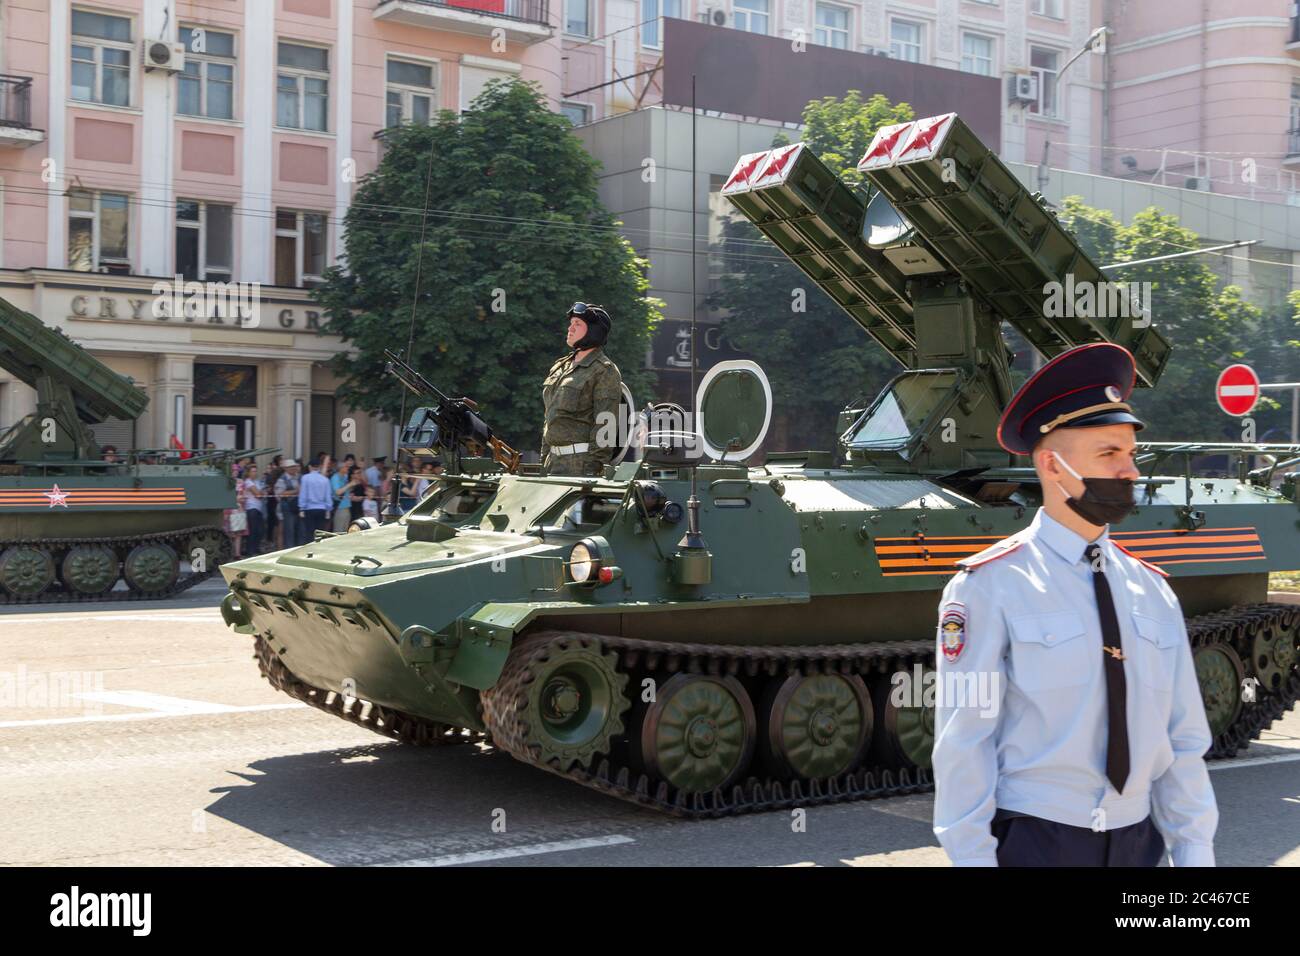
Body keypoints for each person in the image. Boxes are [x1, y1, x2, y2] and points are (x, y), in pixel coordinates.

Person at [931, 343, 1218, 868]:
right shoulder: (990, 585)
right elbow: (964, 741)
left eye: (1131, 454)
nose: (1129, 471)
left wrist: (1196, 853)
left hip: (1139, 843)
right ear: (1051, 465)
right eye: (1108, 454)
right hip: (1039, 842)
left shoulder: (1153, 589)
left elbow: (1181, 742)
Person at [541, 302, 623, 477]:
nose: (570, 328)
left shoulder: (604, 370)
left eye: (577, 324)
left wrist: (594, 469)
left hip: (580, 466)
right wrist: (544, 458)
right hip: (552, 462)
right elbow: (550, 417)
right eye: (571, 323)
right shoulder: (560, 366)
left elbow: (605, 425)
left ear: (593, 330)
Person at [298, 454, 333, 541]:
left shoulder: (305, 478)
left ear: (310, 467)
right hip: (322, 509)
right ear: (319, 467)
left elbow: (303, 494)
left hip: (309, 509)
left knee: (309, 532)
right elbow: (328, 496)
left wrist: (301, 508)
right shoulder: (325, 479)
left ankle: (310, 551)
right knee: (320, 533)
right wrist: (328, 509)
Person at [274, 459, 302, 548]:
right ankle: (288, 548)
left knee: (298, 529)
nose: (293, 468)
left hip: (298, 506)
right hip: (287, 507)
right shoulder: (281, 480)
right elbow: (280, 494)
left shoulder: (299, 477)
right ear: (286, 469)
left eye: (294, 466)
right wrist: (296, 491)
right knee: (288, 530)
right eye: (291, 467)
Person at [242, 463, 266, 554]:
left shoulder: (256, 481)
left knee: (260, 530)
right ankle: (250, 550)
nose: (255, 473)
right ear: (248, 473)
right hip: (251, 508)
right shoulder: (248, 482)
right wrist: (261, 492)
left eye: (255, 471)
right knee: (253, 530)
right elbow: (258, 494)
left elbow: (261, 492)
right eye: (253, 471)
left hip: (258, 508)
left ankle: (256, 548)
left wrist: (261, 492)